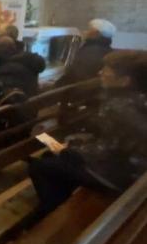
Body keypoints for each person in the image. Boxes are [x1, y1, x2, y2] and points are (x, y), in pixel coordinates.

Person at [29, 50, 147, 214]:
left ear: (124, 81)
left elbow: (108, 152)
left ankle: (51, 211)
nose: (100, 72)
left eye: (107, 70)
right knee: (52, 158)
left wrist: (68, 150)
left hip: (121, 176)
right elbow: (116, 141)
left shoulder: (119, 108)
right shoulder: (137, 98)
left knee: (40, 166)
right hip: (134, 170)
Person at [56, 19, 115, 87]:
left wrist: (54, 86)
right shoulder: (108, 50)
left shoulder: (90, 52)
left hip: (81, 92)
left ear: (96, 33)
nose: (85, 31)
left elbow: (74, 77)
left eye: (89, 29)